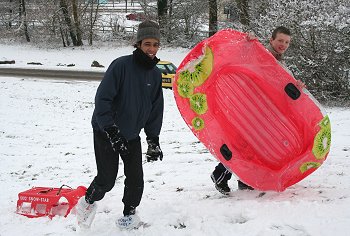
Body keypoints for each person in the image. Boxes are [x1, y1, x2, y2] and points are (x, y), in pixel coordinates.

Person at [76, 20, 164, 229]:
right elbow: (103, 100)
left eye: (155, 44)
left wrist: (153, 139)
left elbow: (155, 108)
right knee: (107, 179)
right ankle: (86, 203)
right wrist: (112, 131)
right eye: (147, 44)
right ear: (139, 44)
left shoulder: (155, 74)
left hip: (132, 134)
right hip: (106, 131)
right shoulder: (121, 65)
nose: (152, 49)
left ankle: (129, 215)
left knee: (136, 179)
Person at [211, 26, 297, 195]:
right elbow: (240, 58)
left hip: (265, 112)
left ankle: (245, 180)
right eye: (280, 40)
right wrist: (246, 42)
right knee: (243, 144)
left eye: (287, 42)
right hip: (250, 108)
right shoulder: (260, 53)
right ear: (271, 40)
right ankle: (220, 174)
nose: (283, 44)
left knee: (255, 147)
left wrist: (296, 87)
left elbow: (282, 87)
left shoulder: (281, 63)